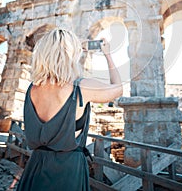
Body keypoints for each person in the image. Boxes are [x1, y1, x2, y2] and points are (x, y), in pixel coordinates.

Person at [16, 28, 123, 191]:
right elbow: (118, 88)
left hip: (35, 167)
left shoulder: (33, 88)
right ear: (72, 55)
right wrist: (107, 54)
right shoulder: (81, 87)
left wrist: (68, 45)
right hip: (67, 170)